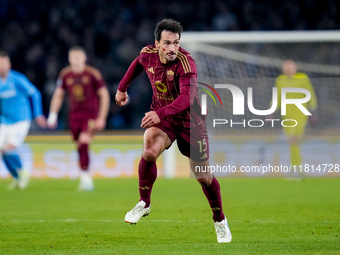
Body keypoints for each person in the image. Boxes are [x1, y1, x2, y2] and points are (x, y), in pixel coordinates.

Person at [115, 19, 232, 243]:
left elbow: (187, 98)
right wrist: (122, 88)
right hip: (165, 119)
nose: (172, 48)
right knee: (149, 151)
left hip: (191, 122)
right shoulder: (147, 54)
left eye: (176, 43)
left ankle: (220, 220)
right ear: (156, 44)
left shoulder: (186, 63)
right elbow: (138, 63)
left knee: (203, 177)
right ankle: (144, 203)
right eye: (167, 43)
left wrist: (159, 113)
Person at [47, 46, 110, 191]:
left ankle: (86, 179)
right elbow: (58, 95)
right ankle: (85, 175)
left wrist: (101, 117)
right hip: (74, 116)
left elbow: (104, 95)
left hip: (90, 116)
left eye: (78, 57)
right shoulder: (65, 75)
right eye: (73, 58)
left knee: (83, 143)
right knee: (79, 146)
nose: (75, 60)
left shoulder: (93, 74)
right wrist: (52, 115)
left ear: (84, 58)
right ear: (69, 59)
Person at [0, 51, 47, 190]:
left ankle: (23, 172)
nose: (1, 66)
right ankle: (16, 178)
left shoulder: (17, 79)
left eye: (3, 63)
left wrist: (37, 114)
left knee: (8, 149)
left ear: (9, 64)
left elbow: (35, 93)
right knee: (2, 151)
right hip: (4, 121)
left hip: (21, 120)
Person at [273, 60, 317, 174]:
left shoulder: (302, 78)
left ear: (295, 67)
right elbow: (277, 97)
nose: (288, 68)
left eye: (290, 66)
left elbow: (311, 94)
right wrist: (271, 110)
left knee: (293, 139)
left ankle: (296, 168)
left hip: (301, 115)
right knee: (292, 142)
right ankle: (297, 168)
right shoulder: (280, 79)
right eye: (285, 66)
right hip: (286, 116)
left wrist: (313, 111)